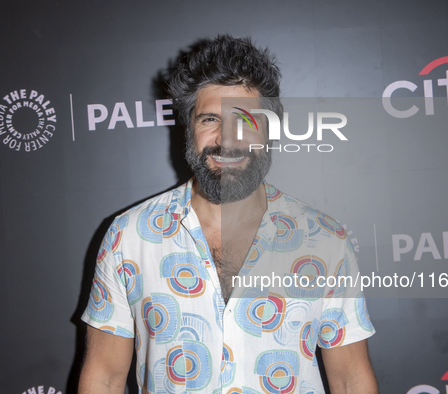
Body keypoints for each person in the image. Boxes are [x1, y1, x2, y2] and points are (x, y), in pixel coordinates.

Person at [78, 34, 378, 394]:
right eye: (209, 119)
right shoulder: (129, 237)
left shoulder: (325, 241)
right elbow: (105, 377)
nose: (227, 138)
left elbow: (349, 380)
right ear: (189, 130)